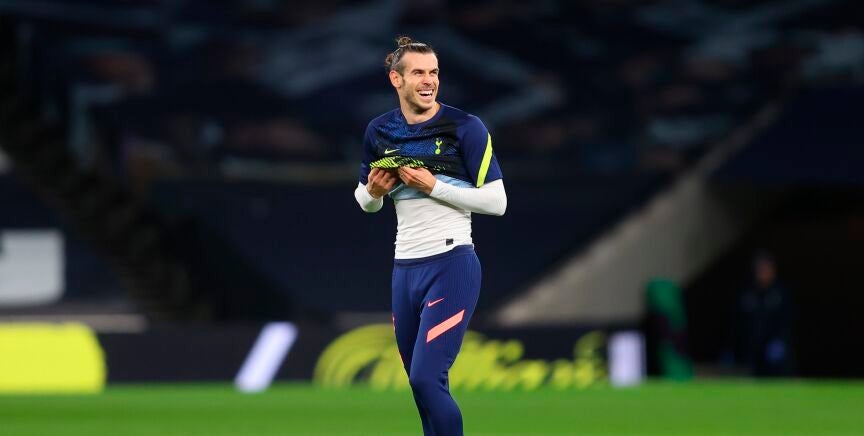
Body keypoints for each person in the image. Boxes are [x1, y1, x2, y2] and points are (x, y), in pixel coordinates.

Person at [353, 36, 507, 435]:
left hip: (451, 265)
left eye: (434, 72)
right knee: (421, 389)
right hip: (404, 270)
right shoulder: (379, 130)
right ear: (397, 79)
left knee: (426, 378)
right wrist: (374, 193)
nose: (429, 81)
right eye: (419, 72)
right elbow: (365, 201)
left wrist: (433, 186)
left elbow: (497, 202)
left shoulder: (465, 127)